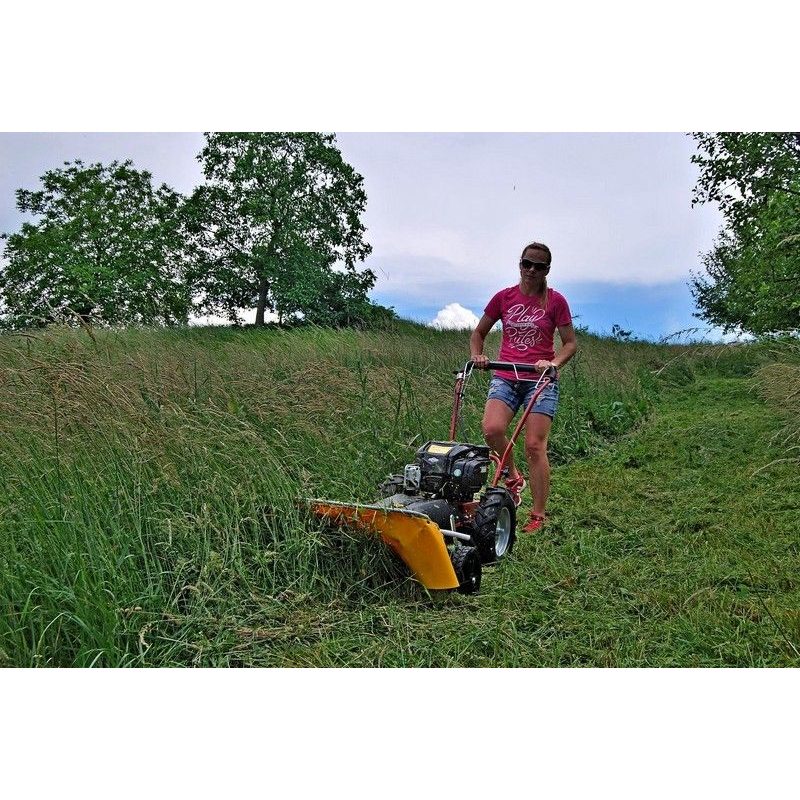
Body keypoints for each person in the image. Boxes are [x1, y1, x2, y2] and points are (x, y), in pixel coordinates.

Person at [469, 241, 577, 533]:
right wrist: (477, 355)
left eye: (538, 266)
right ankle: (514, 478)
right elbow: (478, 333)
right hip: (506, 374)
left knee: (534, 446)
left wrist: (553, 363)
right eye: (526, 263)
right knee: (492, 429)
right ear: (520, 264)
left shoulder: (556, 302)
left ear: (547, 270)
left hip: (539, 380)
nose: (531, 270)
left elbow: (570, 344)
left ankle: (538, 515)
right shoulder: (503, 298)